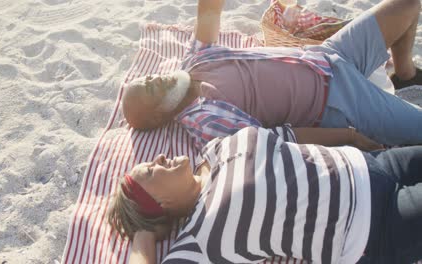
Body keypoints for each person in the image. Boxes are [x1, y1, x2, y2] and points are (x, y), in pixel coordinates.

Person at [122, 0, 422, 149]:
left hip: (327, 56)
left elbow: (209, 11)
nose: (153, 79)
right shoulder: (204, 119)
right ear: (157, 118)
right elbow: (277, 140)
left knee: (407, 4)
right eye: (149, 89)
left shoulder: (194, 61)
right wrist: (350, 137)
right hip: (338, 103)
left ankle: (405, 73)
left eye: (146, 79)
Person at [108, 125, 422, 264]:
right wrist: (142, 233)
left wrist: (349, 135)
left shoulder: (214, 150)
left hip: (374, 164)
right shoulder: (203, 236)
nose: (159, 159)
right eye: (151, 171)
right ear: (162, 205)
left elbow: (286, 134)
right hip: (376, 225)